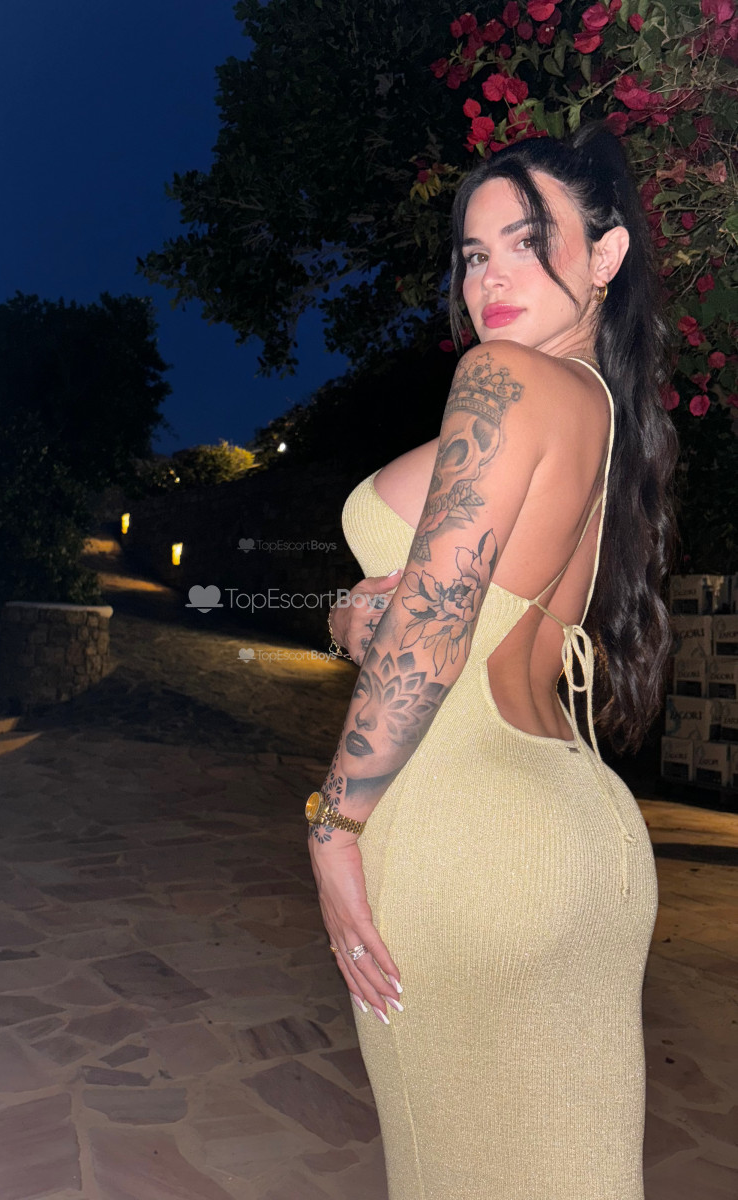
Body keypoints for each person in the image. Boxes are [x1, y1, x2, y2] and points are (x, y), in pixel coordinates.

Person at [306, 122, 678, 1199]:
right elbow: (457, 611)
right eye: (474, 254)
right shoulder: (603, 416)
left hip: (466, 832)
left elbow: (433, 626)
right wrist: (351, 619)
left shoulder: (503, 379)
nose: (490, 278)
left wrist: (334, 823)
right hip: (584, 835)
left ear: (606, 255)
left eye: (526, 241)